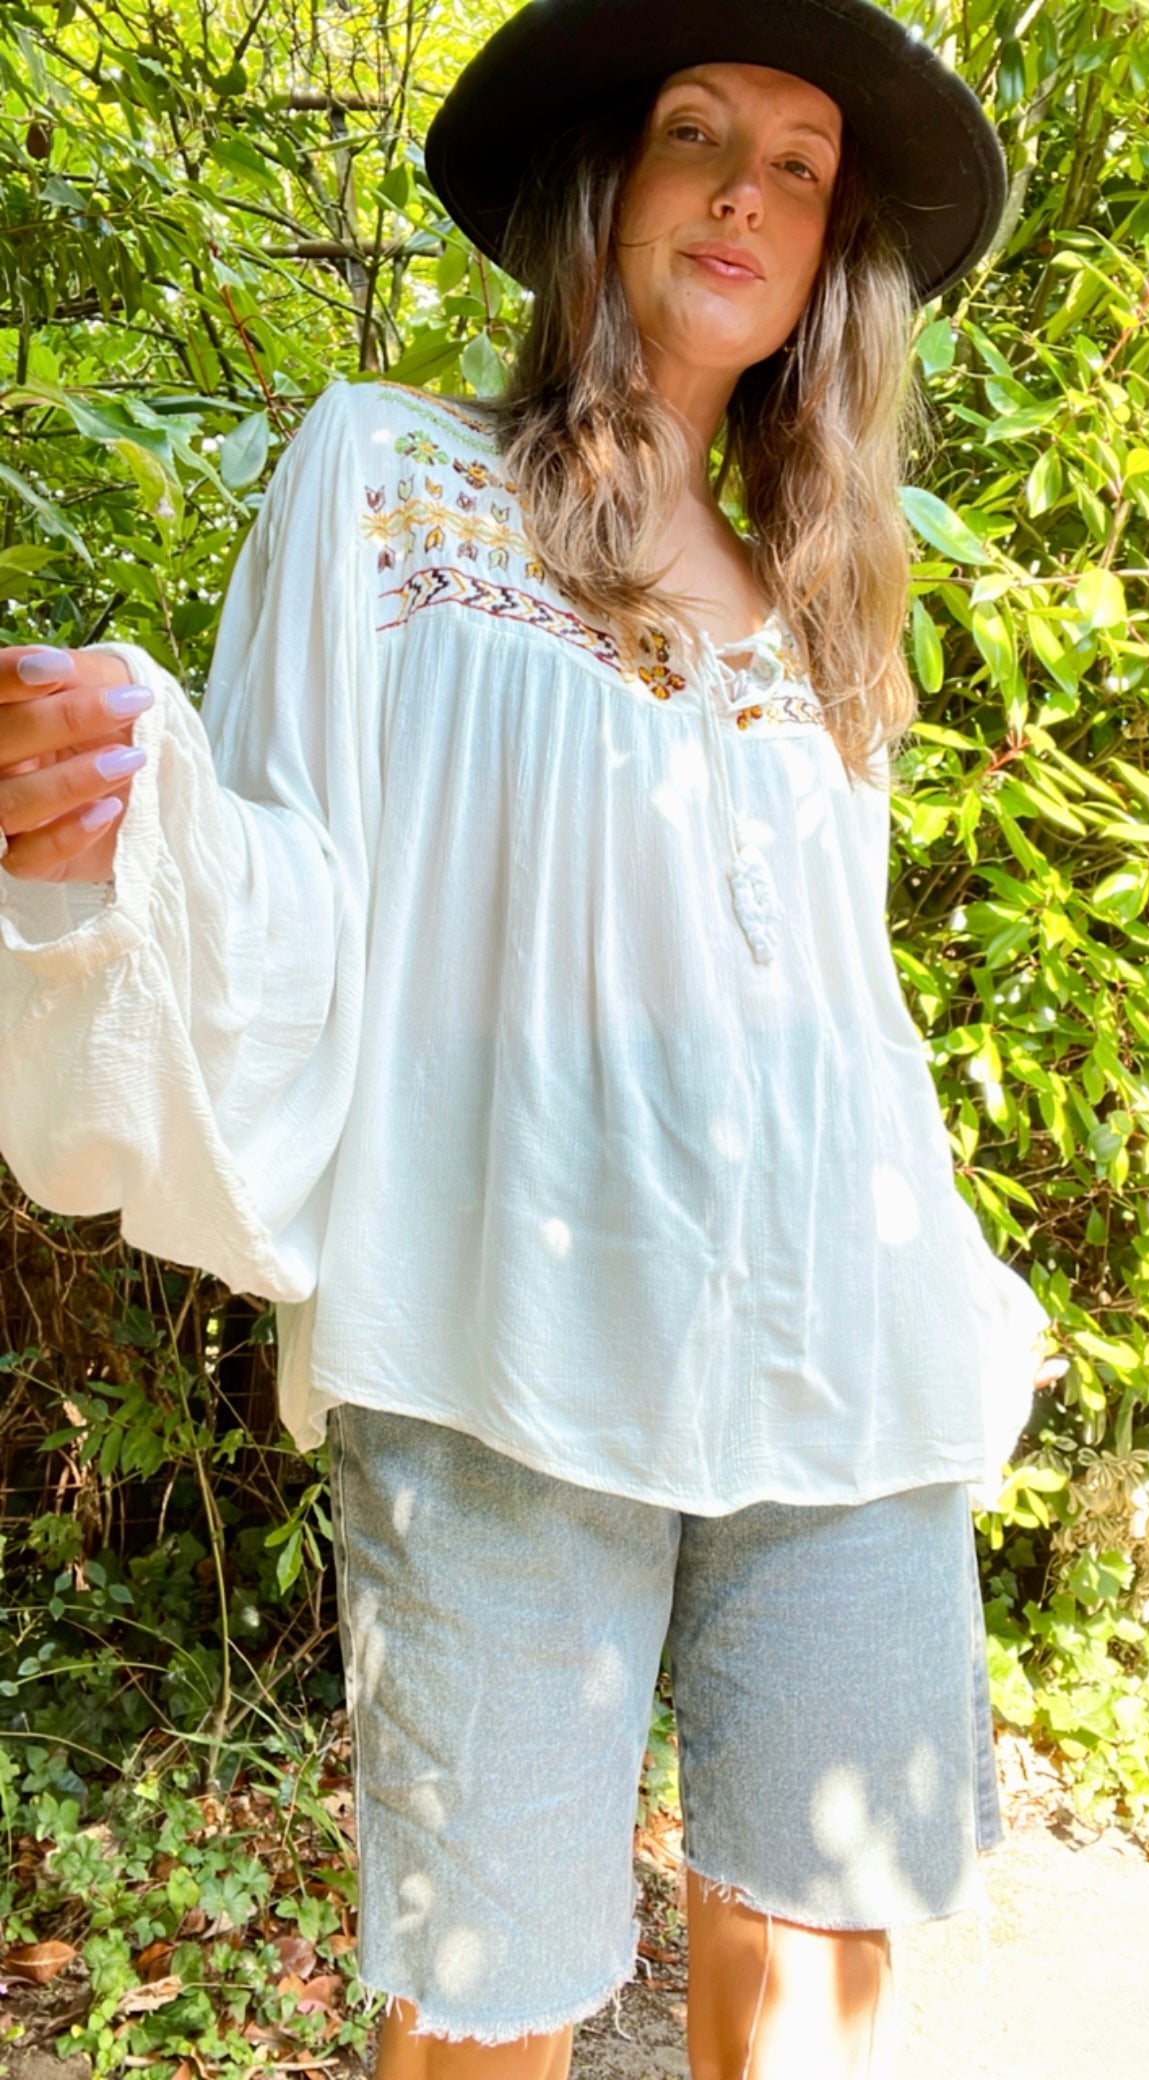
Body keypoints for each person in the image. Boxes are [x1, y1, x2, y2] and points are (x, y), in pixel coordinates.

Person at [0, 2, 1063, 2073]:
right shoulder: (392, 481)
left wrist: (948, 1274)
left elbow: (839, 1016)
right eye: (696, 132)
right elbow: (302, 892)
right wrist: (140, 831)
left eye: (799, 165)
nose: (744, 191)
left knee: (826, 1955)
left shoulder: (822, 604)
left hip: (841, 1356)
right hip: (503, 1343)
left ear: (828, 258)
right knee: (487, 2002)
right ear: (606, 182)